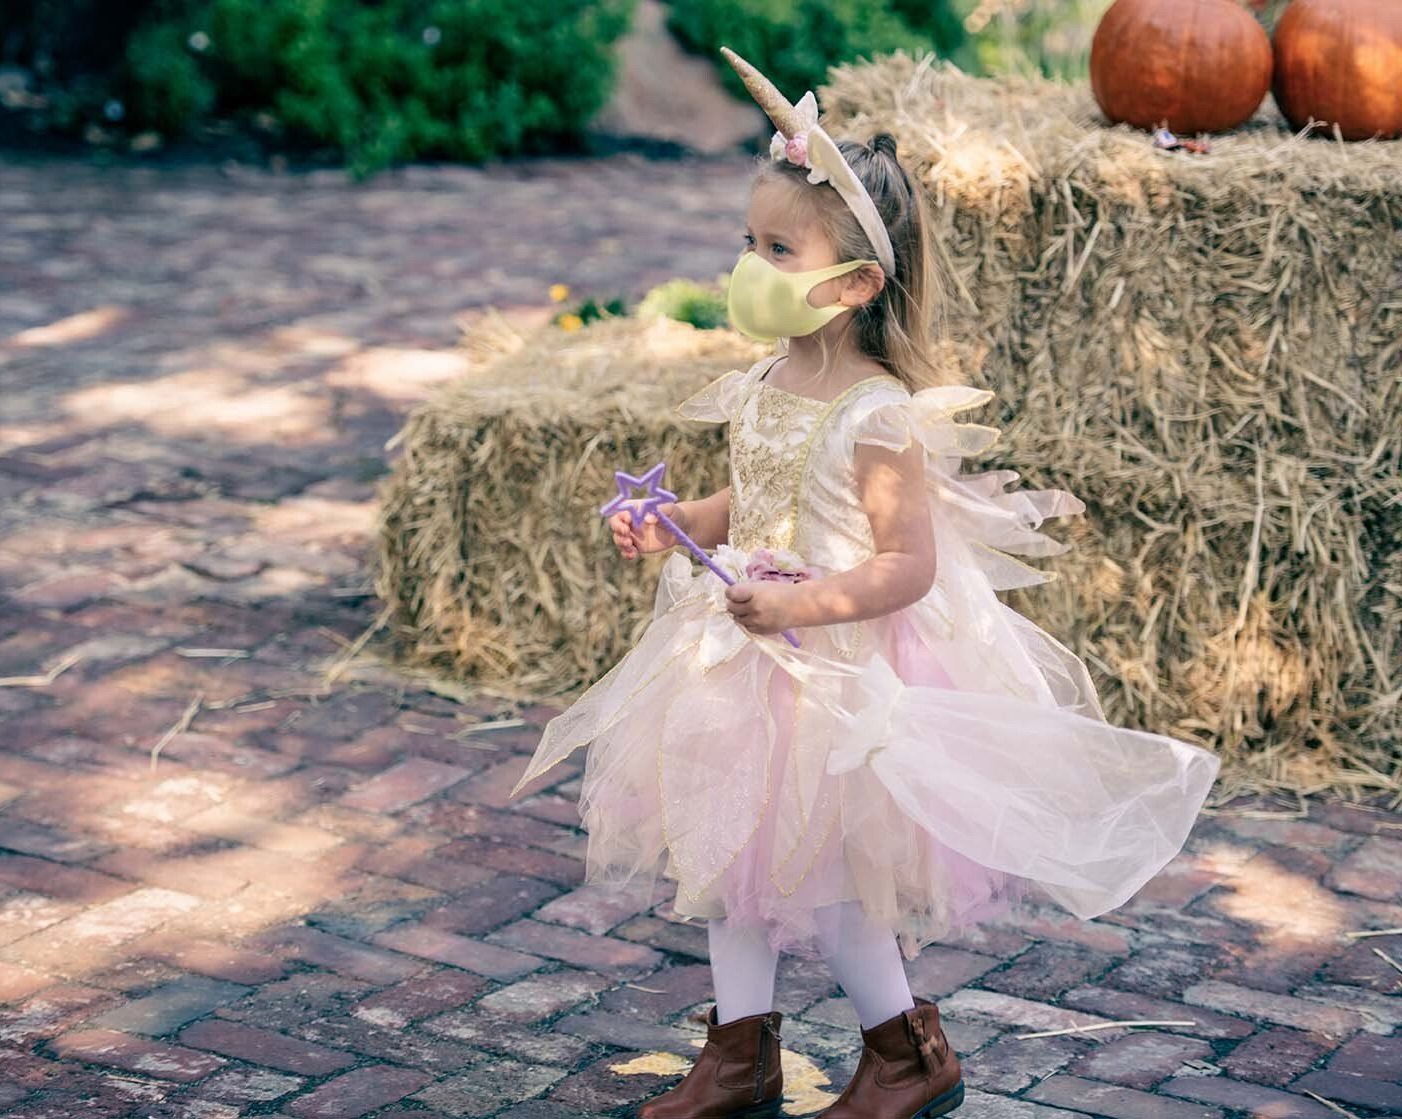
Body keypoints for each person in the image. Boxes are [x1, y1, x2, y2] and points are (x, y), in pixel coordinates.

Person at [509, 47, 1221, 1119]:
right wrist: (667, 524)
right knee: (721, 858)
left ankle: (903, 1053)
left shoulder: (878, 413)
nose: (749, 263)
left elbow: (905, 565)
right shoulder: (760, 379)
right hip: (727, 659)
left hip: (826, 678)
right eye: (746, 242)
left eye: (775, 247)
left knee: (833, 885)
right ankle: (736, 1057)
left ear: (850, 284)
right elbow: (739, 506)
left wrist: (799, 605)